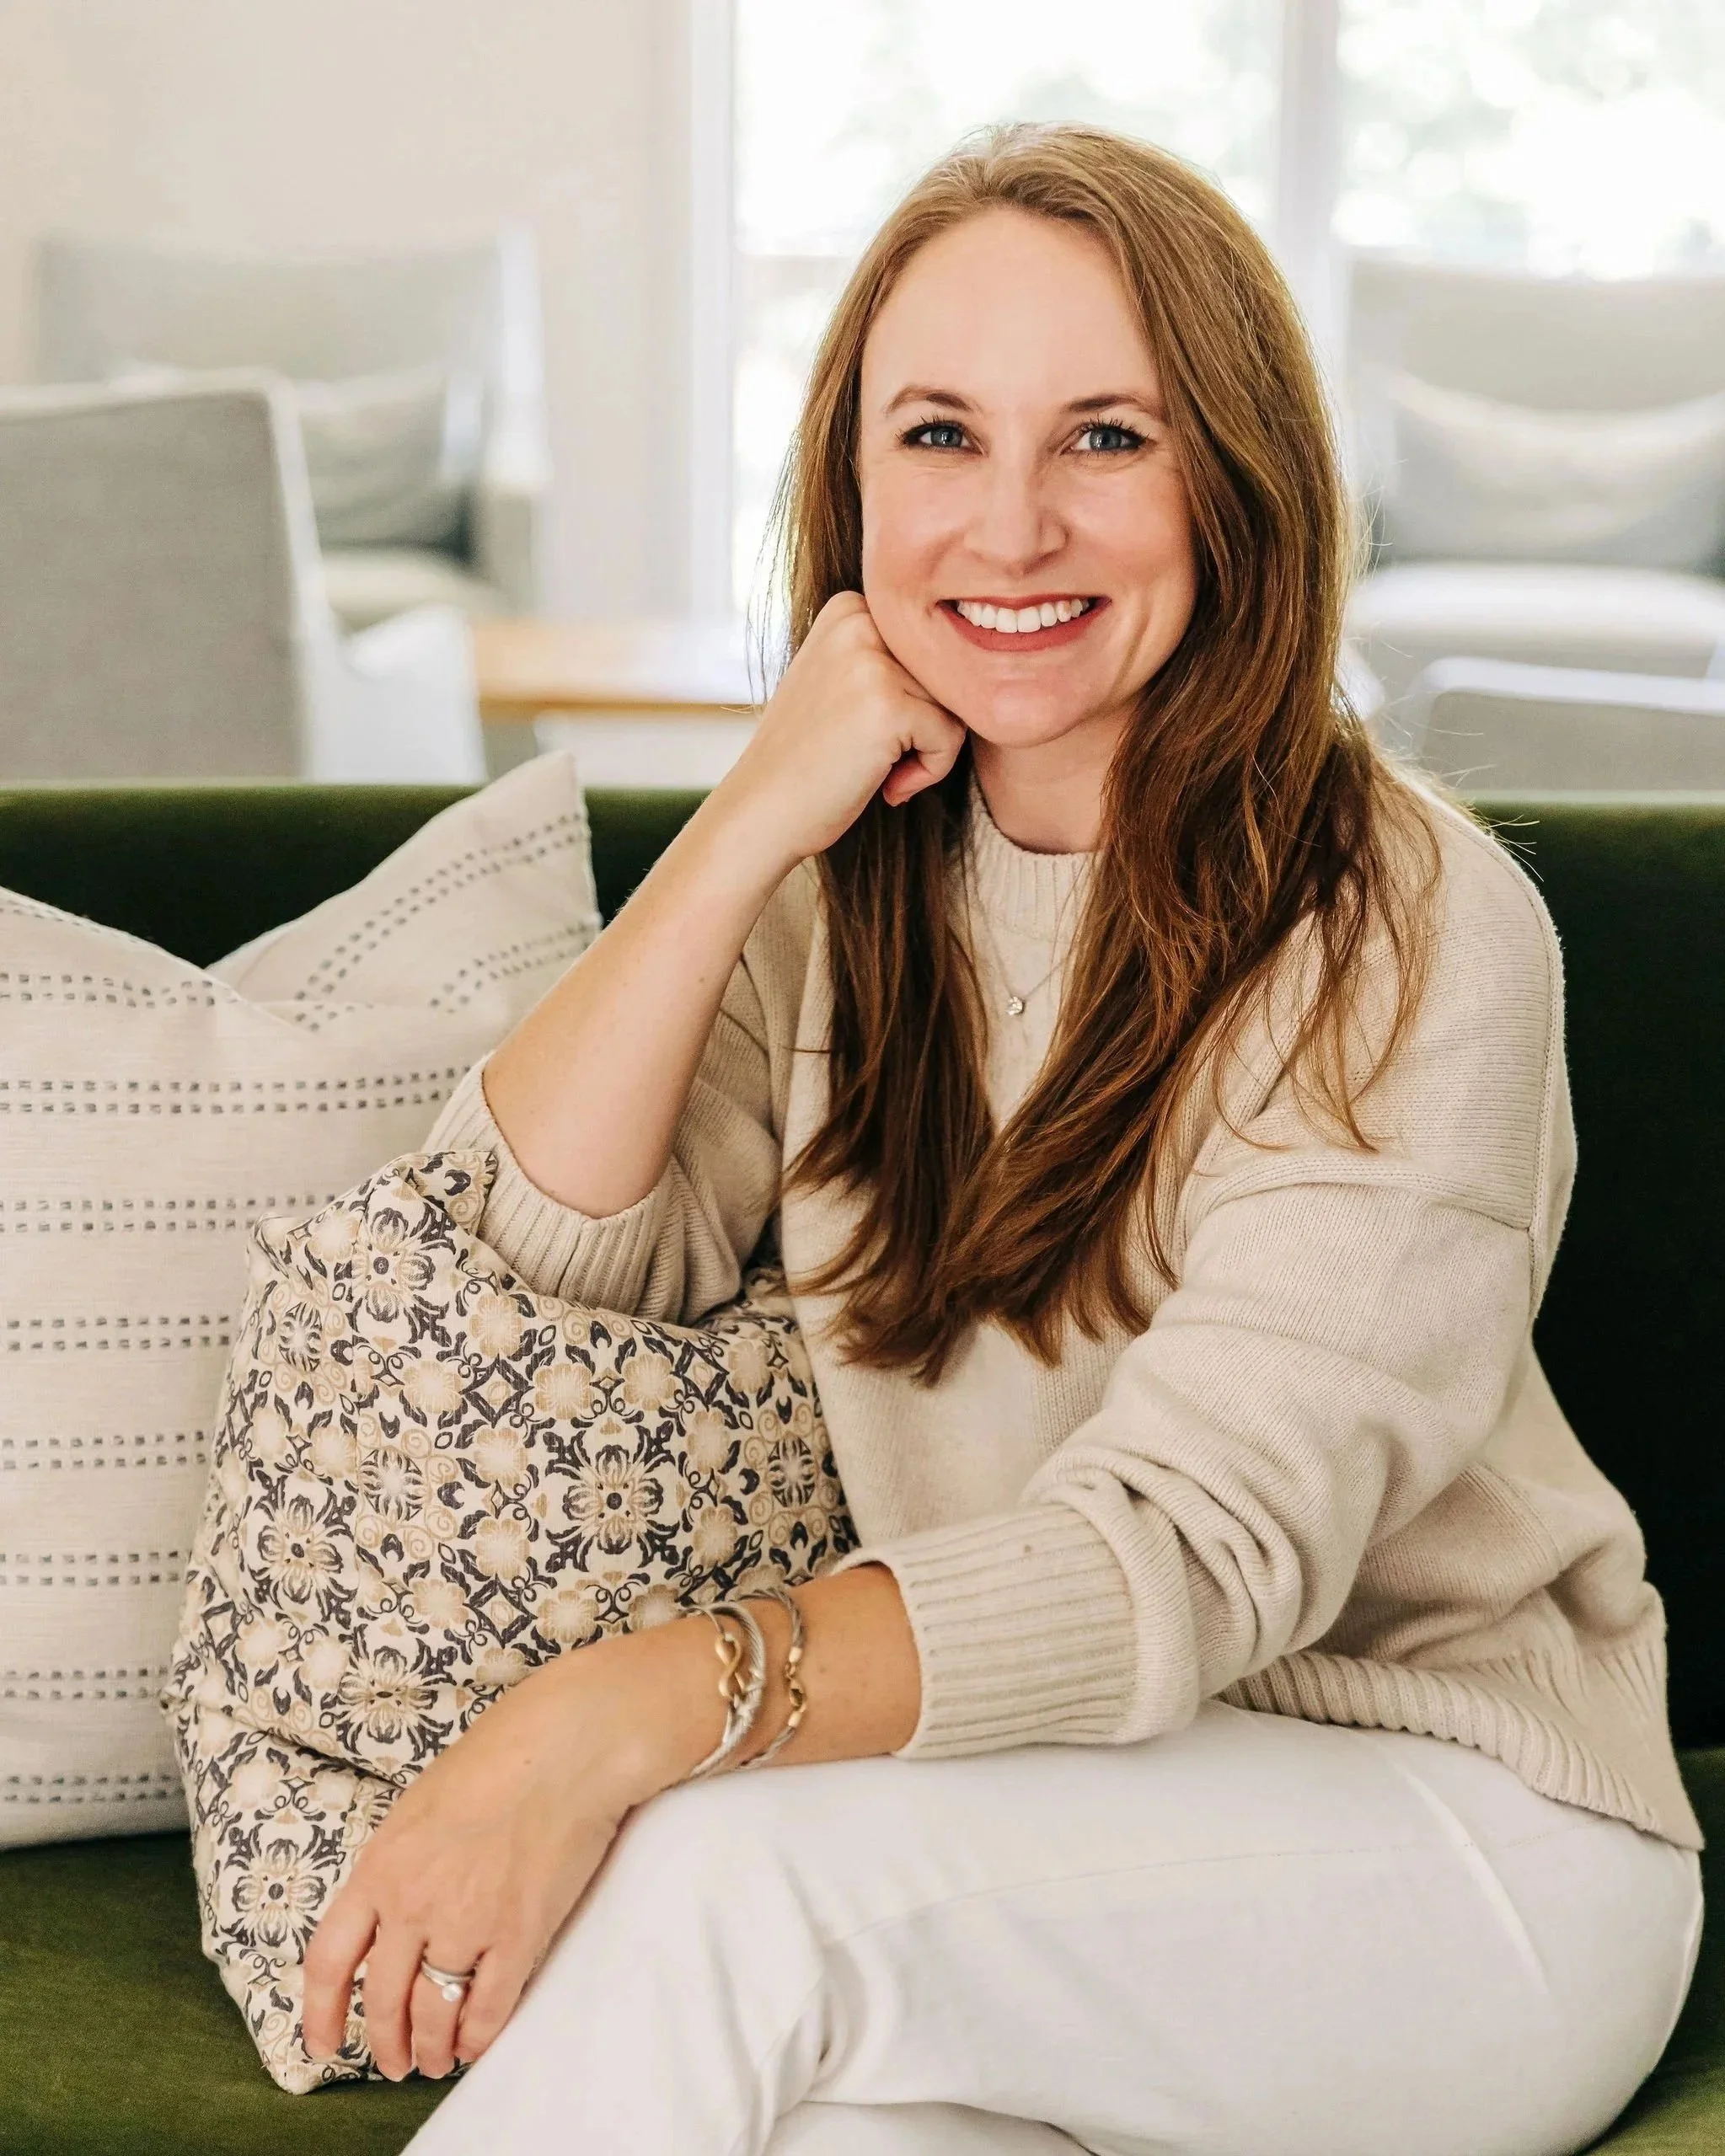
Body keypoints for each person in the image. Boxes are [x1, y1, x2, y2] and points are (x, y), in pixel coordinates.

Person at [301, 125, 1702, 2156]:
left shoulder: (1410, 924)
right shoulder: (839, 885)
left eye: (1108, 437)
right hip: (1060, 1838)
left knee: (724, 1881)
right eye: (939, 436)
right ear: (852, 491)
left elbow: (1191, 1554)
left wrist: (610, 1716)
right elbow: (534, 1246)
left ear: (1233, 478)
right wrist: (741, 821)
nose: (1013, 523)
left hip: (1464, 1839)